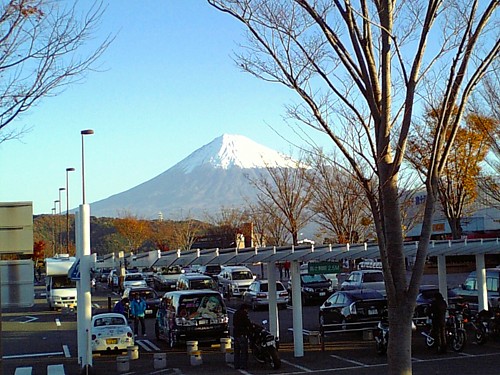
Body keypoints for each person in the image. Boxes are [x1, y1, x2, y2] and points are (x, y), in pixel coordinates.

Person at [232, 303, 253, 370]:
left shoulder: (236, 313)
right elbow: (248, 323)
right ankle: (244, 365)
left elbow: (234, 323)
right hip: (242, 334)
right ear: (245, 309)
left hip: (236, 334)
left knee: (237, 351)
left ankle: (236, 365)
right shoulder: (244, 314)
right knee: (244, 351)